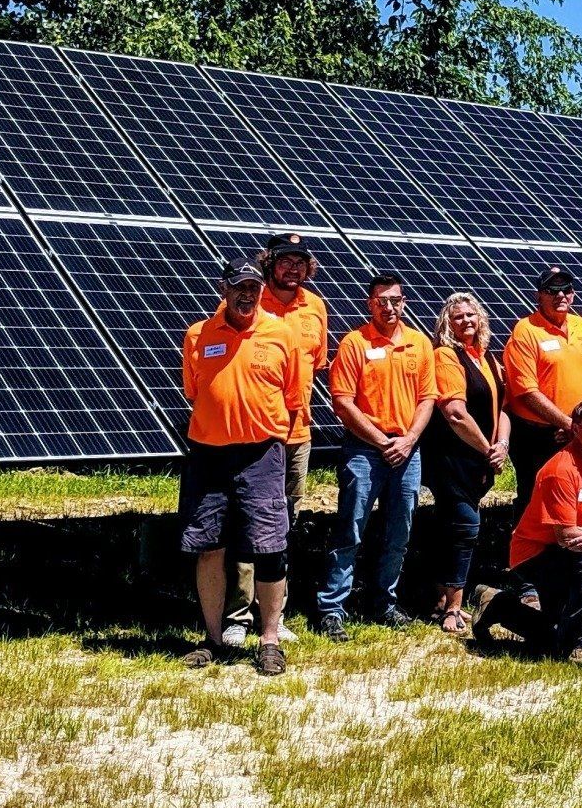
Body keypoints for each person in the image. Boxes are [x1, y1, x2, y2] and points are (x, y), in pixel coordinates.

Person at [178, 259, 304, 675]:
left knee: (270, 547)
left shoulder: (282, 334)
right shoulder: (198, 335)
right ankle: (213, 639)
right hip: (208, 455)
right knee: (209, 546)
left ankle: (269, 641)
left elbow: (294, 396)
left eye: (253, 287)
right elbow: (194, 391)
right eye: (239, 287)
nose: (247, 295)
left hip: (262, 455)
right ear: (224, 289)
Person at [221, 232, 329, 649]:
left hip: (297, 432)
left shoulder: (315, 307)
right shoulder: (249, 299)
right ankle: (238, 614)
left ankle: (274, 614)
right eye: (285, 260)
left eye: (300, 261)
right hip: (255, 434)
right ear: (270, 263)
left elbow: (314, 366)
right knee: (247, 521)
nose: (293, 268)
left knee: (284, 523)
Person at [315, 272, 437, 640]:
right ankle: (332, 607)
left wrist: (409, 439)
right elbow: (343, 402)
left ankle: (384, 602)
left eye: (395, 300)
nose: (389, 307)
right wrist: (383, 441)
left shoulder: (419, 343)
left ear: (404, 302)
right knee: (351, 528)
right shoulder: (355, 343)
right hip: (365, 450)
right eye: (381, 301)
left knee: (400, 531)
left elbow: (427, 398)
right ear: (370, 304)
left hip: (408, 451)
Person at [473, 398, 582, 668]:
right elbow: (567, 537)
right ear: (575, 429)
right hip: (535, 552)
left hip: (573, 550)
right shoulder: (560, 470)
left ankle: (498, 605)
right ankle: (574, 647)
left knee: (551, 632)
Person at [424, 292, 508, 635]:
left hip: (479, 461)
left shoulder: (488, 358)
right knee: (465, 527)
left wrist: (502, 445)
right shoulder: (446, 356)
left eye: (471, 315)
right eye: (457, 316)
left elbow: (504, 408)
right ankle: (454, 608)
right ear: (447, 323)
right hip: (452, 459)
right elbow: (455, 413)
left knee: (449, 527)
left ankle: (439, 598)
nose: (466, 321)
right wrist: (488, 449)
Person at [502, 265, 582, 517]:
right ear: (539, 295)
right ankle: (529, 543)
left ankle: (574, 539)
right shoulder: (526, 331)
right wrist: (570, 424)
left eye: (566, 289)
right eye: (552, 290)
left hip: (580, 431)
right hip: (538, 437)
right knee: (538, 499)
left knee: (579, 494)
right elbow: (526, 391)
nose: (560, 295)